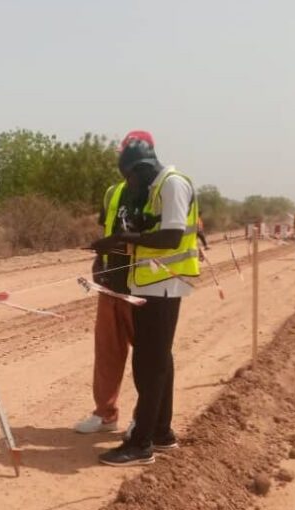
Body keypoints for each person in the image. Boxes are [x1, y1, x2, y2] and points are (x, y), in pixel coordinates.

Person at [90, 136, 200, 467]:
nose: (129, 183)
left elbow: (171, 236)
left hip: (164, 285)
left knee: (148, 366)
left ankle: (141, 444)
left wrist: (126, 238)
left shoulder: (171, 184)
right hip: (151, 284)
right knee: (159, 361)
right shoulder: (156, 187)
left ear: (140, 167)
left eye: (130, 176)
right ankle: (162, 432)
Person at [74, 132, 150, 435]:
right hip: (111, 284)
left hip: (143, 287)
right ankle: (105, 414)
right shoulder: (113, 192)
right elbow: (107, 230)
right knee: (107, 352)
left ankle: (143, 419)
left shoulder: (156, 193)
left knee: (146, 358)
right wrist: (98, 263)